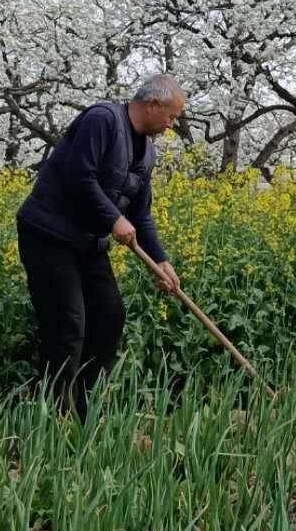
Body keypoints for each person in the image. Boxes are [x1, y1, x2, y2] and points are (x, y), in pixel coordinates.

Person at [15, 74, 184, 412]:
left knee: (109, 317)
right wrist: (113, 219)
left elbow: (141, 216)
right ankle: (51, 416)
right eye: (171, 116)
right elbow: (80, 176)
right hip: (49, 233)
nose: (171, 125)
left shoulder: (146, 153)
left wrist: (161, 261)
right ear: (152, 105)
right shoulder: (102, 120)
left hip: (87, 242)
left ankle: (82, 409)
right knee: (68, 326)